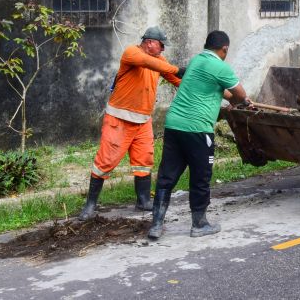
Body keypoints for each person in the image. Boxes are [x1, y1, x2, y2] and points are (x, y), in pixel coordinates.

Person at [148, 30, 249, 240]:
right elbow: (239, 93)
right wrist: (240, 101)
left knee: (167, 176)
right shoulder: (220, 67)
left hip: (174, 124)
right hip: (197, 128)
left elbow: (219, 90)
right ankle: (199, 224)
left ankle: (156, 225)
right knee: (201, 176)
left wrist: (234, 100)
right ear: (224, 49)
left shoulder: (196, 61)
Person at [78, 26, 183, 221]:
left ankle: (143, 201)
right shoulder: (132, 53)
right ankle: (90, 204)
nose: (163, 50)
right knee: (105, 161)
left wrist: (196, 82)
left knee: (144, 160)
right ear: (150, 42)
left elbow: (175, 78)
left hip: (143, 121)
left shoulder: (160, 61)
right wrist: (178, 69)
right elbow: (148, 63)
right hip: (119, 119)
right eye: (161, 46)